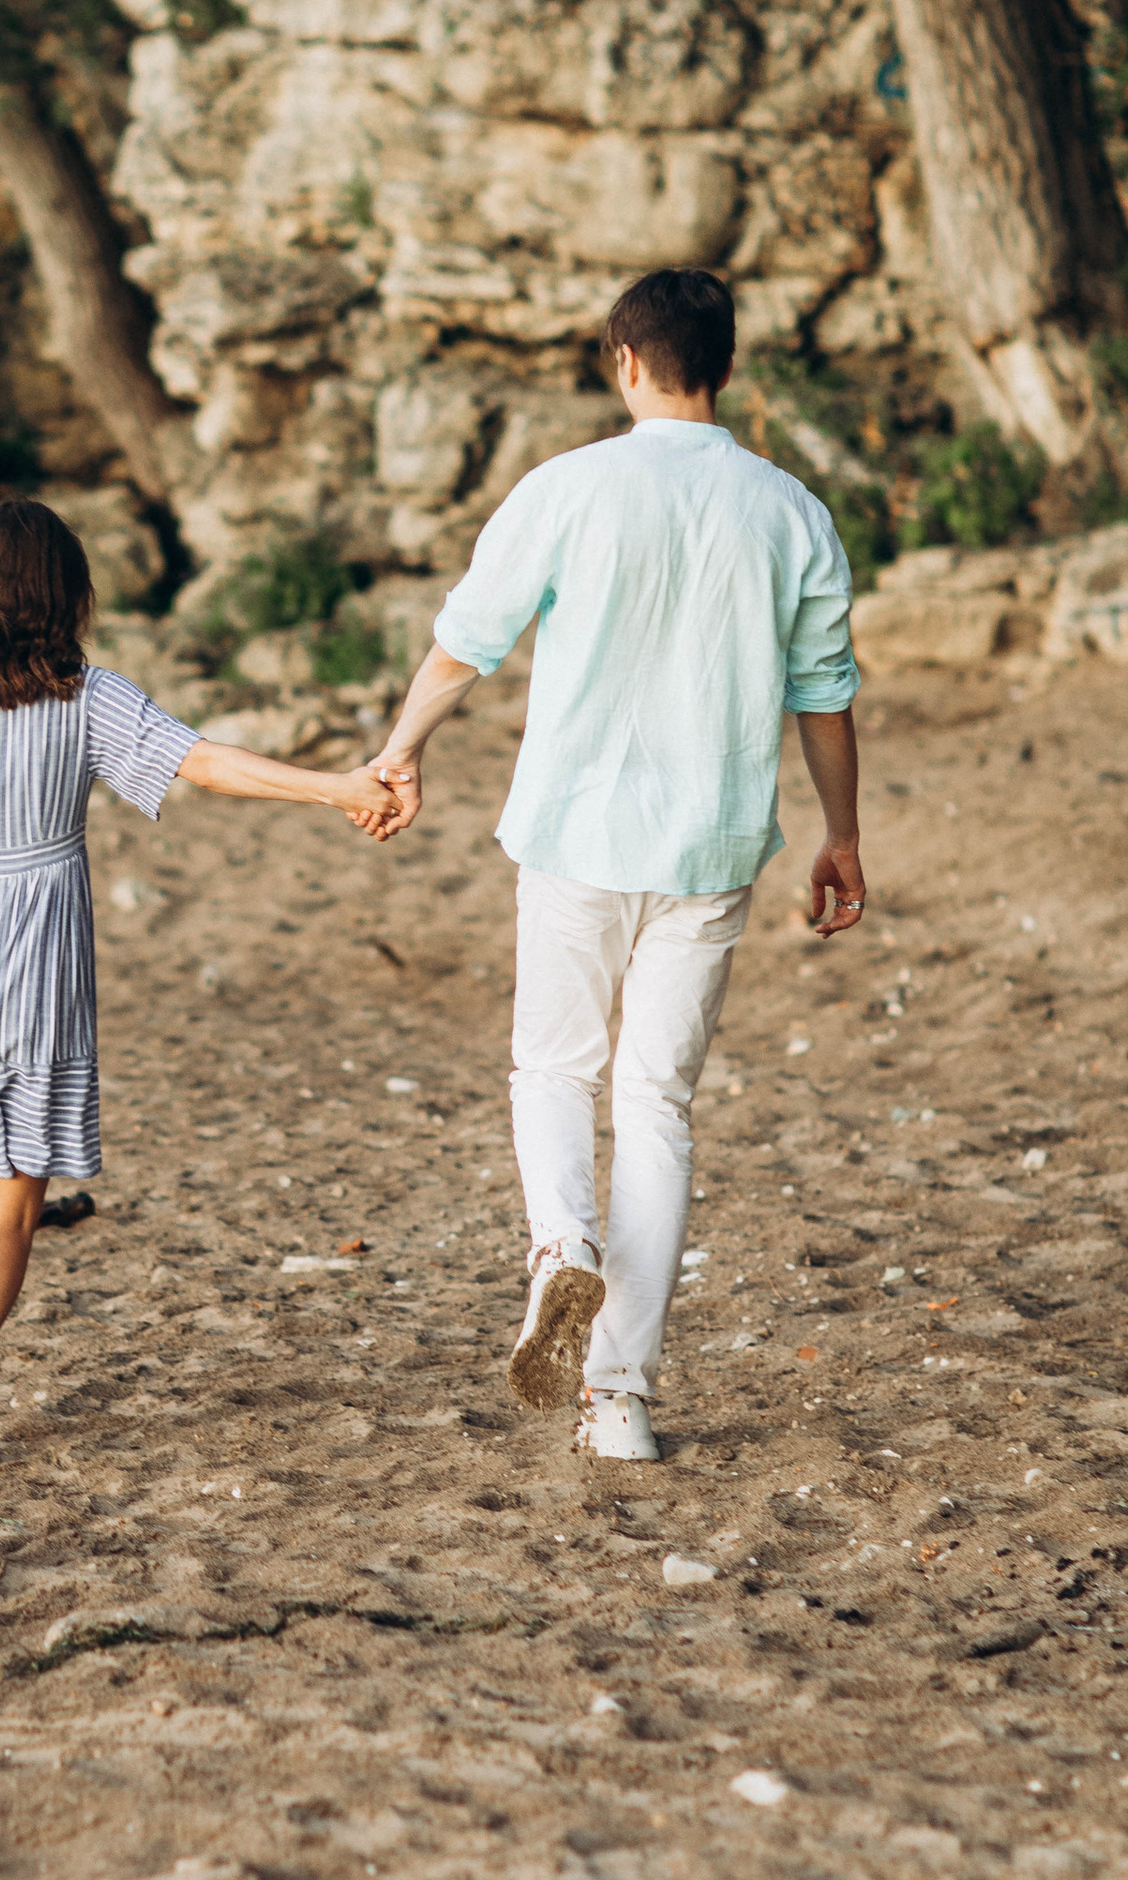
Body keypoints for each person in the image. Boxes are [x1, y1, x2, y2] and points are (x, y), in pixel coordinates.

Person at [369, 266, 864, 1465]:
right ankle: (620, 1401)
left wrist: (396, 751)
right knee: (655, 1103)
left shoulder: (568, 489)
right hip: (710, 845)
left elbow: (463, 646)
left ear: (621, 361)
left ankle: (560, 1252)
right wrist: (842, 834)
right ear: (726, 368)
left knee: (551, 1065)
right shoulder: (788, 509)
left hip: (577, 831)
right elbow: (824, 695)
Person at [0, 496, 400, 1481]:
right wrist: (333, 785)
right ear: (65, 594)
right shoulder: (84, 696)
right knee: (10, 1198)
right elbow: (201, 765)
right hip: (33, 964)